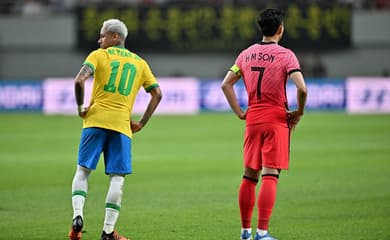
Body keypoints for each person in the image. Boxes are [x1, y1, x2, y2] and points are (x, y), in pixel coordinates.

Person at [68, 19, 162, 240]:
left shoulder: (99, 55)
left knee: (83, 171)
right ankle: (108, 232)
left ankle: (78, 216)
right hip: (121, 125)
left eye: (102, 36)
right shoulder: (140, 63)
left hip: (94, 120)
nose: (99, 39)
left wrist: (81, 107)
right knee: (117, 177)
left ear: (115, 37)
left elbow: (79, 80)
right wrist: (141, 122)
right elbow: (157, 94)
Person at [221, 8, 307, 240]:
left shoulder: (245, 54)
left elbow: (226, 84)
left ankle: (245, 231)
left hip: (253, 120)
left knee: (249, 175)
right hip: (275, 119)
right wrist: (298, 111)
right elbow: (302, 88)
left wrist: (240, 112)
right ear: (281, 29)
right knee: (271, 174)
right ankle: (262, 232)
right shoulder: (286, 55)